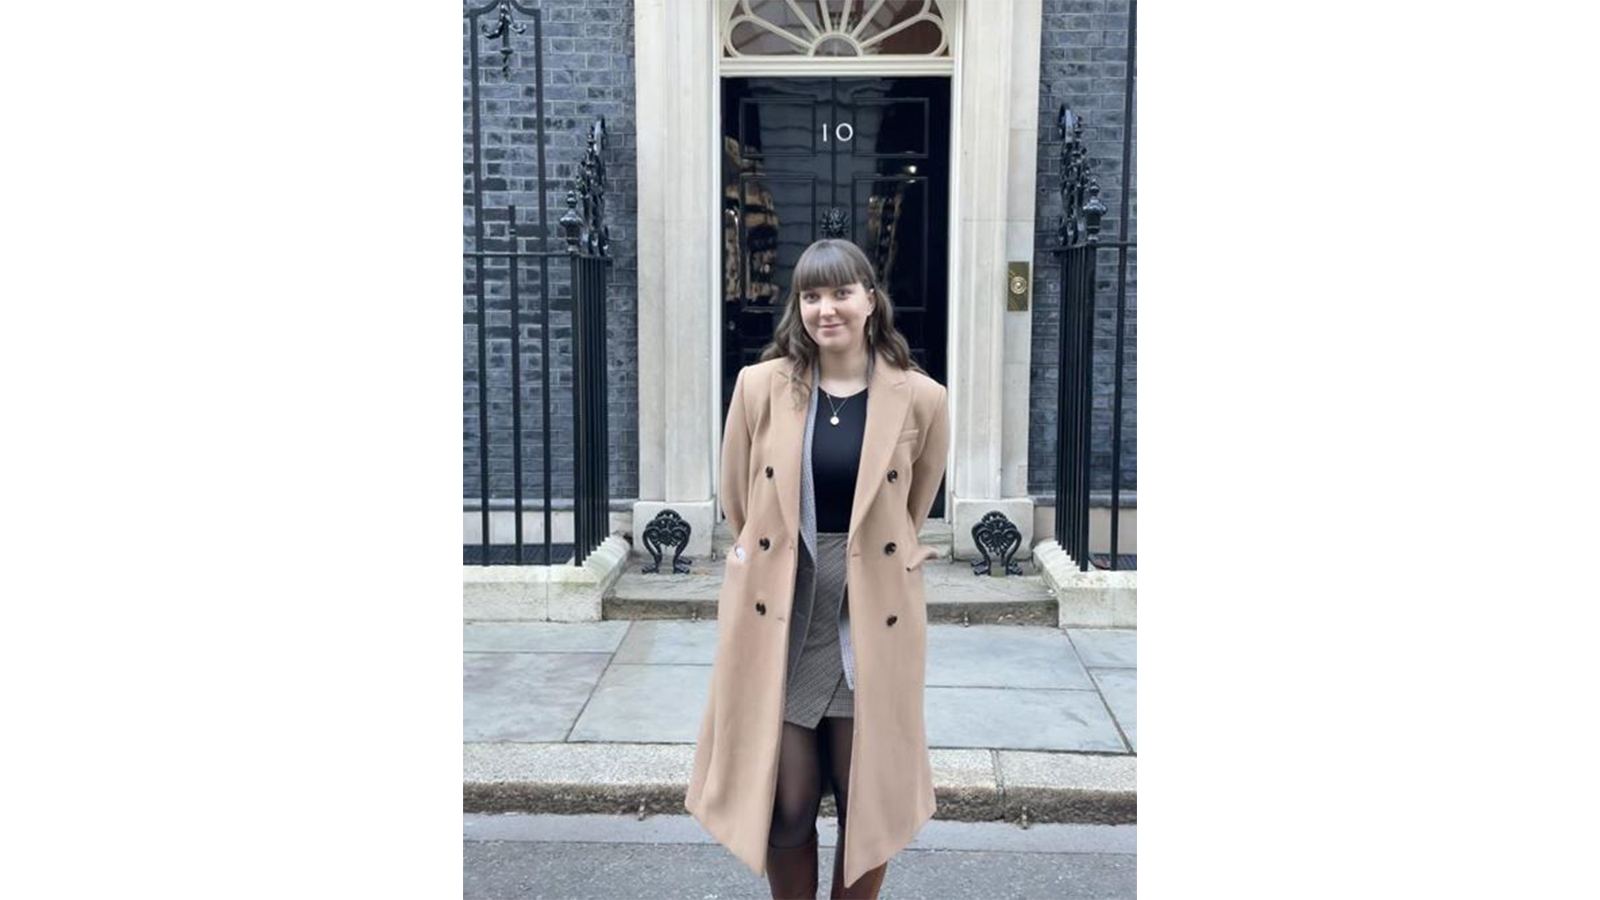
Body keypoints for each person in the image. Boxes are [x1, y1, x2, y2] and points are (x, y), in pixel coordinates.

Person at [684, 238, 951, 898]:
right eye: (810, 295)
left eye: (840, 293)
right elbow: (741, 501)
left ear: (869, 300)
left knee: (867, 805)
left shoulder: (922, 399)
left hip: (871, 614)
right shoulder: (759, 387)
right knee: (789, 801)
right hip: (783, 604)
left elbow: (911, 509)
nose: (825, 309)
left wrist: (871, 557)